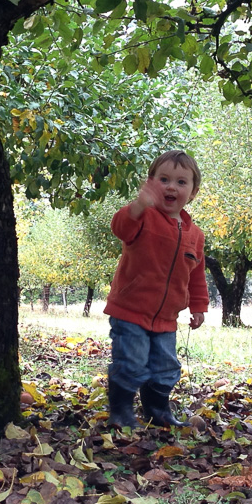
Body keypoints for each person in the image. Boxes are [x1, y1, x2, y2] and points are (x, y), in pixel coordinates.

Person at [103, 150, 209, 428]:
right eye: (163, 179)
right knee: (132, 361)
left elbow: (196, 273)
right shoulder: (142, 217)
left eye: (181, 182)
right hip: (130, 309)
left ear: (193, 192)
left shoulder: (195, 235)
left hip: (166, 318)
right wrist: (139, 204)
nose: (171, 187)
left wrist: (198, 306)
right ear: (150, 183)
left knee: (165, 366)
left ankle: (157, 409)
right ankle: (121, 411)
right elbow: (120, 227)